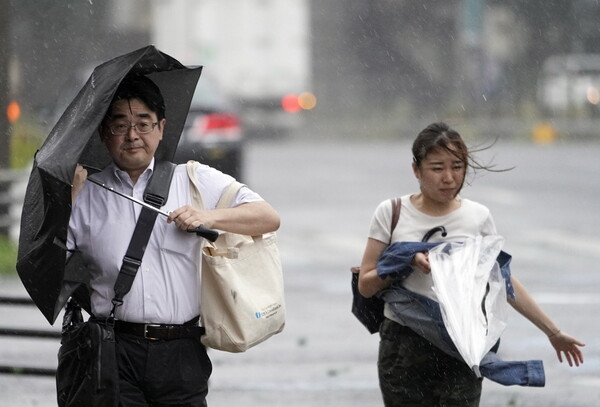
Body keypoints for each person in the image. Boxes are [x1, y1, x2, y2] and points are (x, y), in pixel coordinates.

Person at [68, 74, 280, 406]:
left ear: (161, 128)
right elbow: (53, 267)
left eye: (143, 123)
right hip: (113, 350)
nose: (132, 135)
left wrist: (207, 217)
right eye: (120, 125)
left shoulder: (195, 180)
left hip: (182, 351)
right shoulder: (86, 194)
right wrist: (69, 201)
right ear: (103, 132)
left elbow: (267, 217)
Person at [357, 122, 584, 407]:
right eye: (437, 168)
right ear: (416, 170)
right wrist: (405, 261)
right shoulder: (391, 212)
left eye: (457, 167)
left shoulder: (477, 217)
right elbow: (366, 285)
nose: (449, 178)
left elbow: (503, 282)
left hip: (463, 343)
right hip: (404, 344)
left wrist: (553, 331)